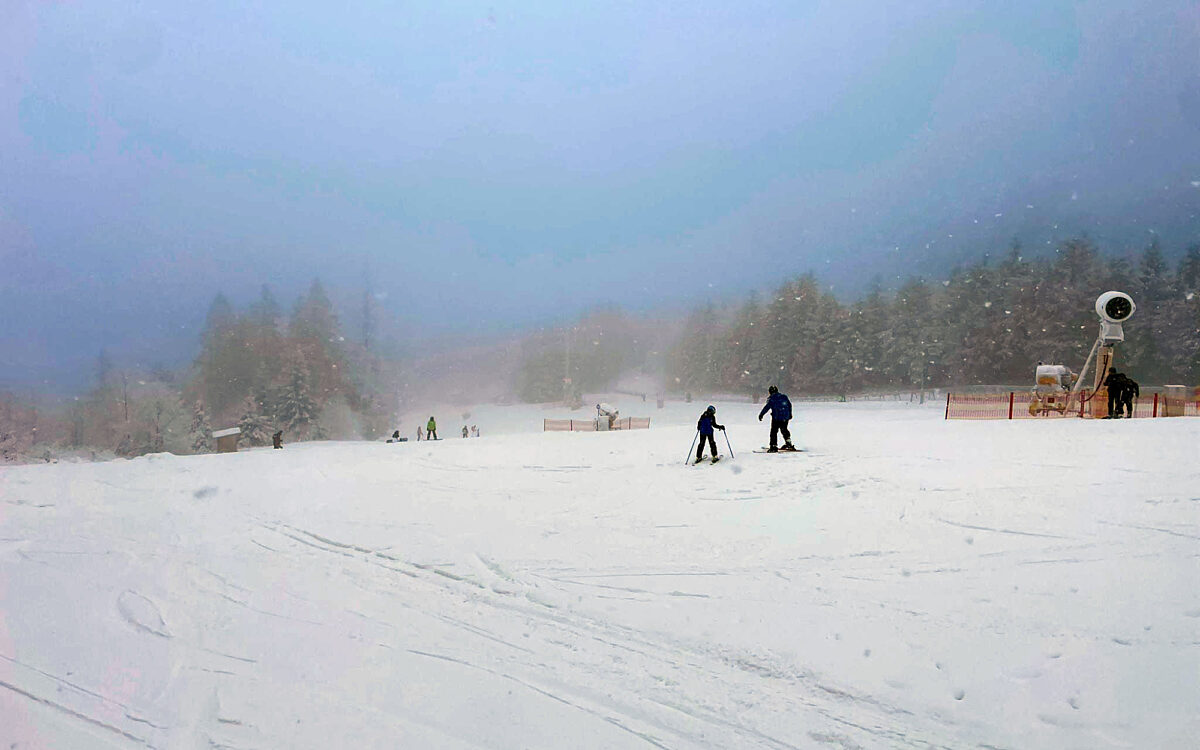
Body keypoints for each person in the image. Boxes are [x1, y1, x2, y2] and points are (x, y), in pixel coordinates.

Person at [758, 385, 795, 452]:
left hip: (777, 417)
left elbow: (766, 407)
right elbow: (789, 405)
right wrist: (790, 414)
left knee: (774, 432)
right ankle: (788, 443)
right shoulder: (784, 397)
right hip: (785, 417)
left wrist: (761, 415)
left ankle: (773, 446)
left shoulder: (772, 399)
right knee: (784, 430)